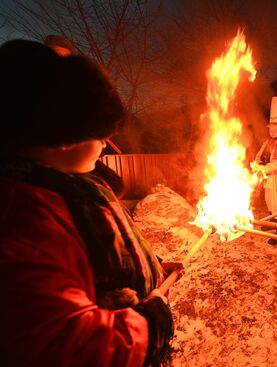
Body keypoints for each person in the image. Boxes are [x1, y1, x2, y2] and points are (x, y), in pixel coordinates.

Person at [0, 40, 180, 366]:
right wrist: (149, 326)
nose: (104, 143)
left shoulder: (66, 192)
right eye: (98, 133)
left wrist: (150, 272)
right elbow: (70, 344)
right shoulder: (24, 219)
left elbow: (97, 259)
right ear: (60, 136)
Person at [44, 34, 126, 197]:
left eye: (64, 58)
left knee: (114, 185)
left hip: (79, 155)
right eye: (54, 57)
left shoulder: (80, 90)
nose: (60, 63)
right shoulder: (38, 91)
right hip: (52, 158)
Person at [253, 96, 277, 245]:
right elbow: (258, 155)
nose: (272, 131)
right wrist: (258, 163)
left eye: (275, 129)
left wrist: (264, 168)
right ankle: (272, 223)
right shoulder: (268, 142)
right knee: (269, 201)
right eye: (270, 129)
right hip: (268, 176)